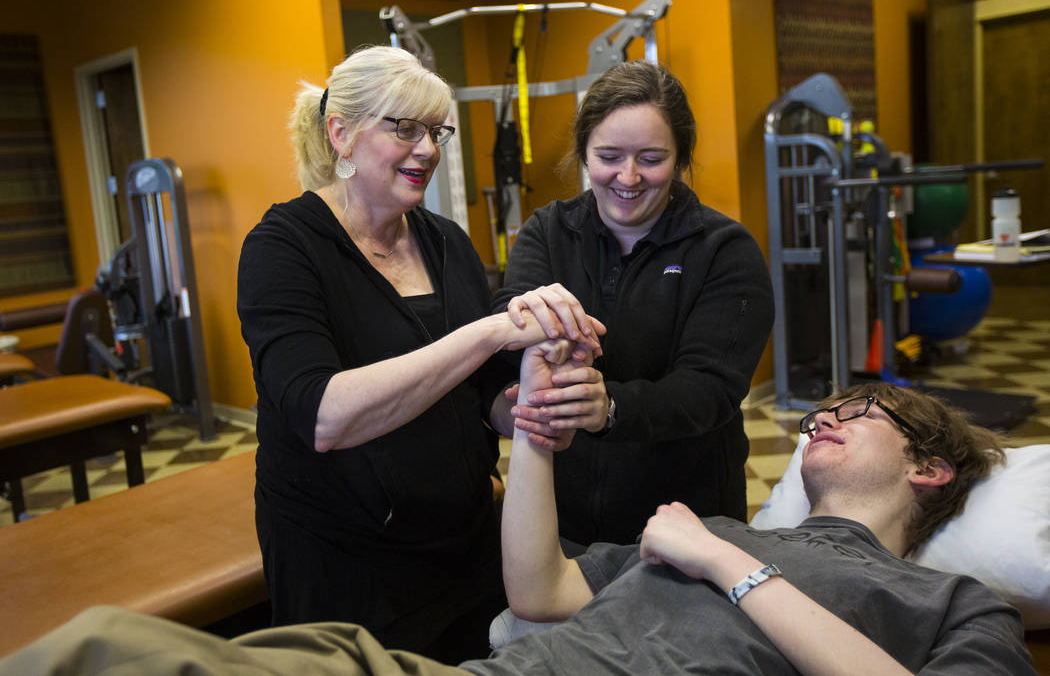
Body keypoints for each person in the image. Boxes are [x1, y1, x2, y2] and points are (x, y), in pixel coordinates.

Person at [0, 373, 1035, 674]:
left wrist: (724, 560)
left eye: (860, 413)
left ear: (929, 463)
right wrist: (536, 426)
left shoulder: (951, 602)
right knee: (104, 644)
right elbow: (538, 591)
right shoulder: (703, 526)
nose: (828, 414)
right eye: (828, 405)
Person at [235, 45, 601, 662]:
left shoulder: (445, 242)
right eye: (405, 128)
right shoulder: (283, 248)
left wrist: (533, 407)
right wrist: (490, 331)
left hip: (464, 544)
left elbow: (480, 392)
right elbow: (323, 416)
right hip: (347, 565)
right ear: (340, 134)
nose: (428, 149)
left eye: (436, 131)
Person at [492, 59, 775, 547]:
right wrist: (530, 329)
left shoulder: (725, 250)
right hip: (563, 516)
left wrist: (611, 406)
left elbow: (709, 389)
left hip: (686, 522)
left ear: (681, 157)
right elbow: (508, 321)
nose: (628, 176)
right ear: (584, 153)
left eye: (650, 158)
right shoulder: (547, 231)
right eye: (608, 155)